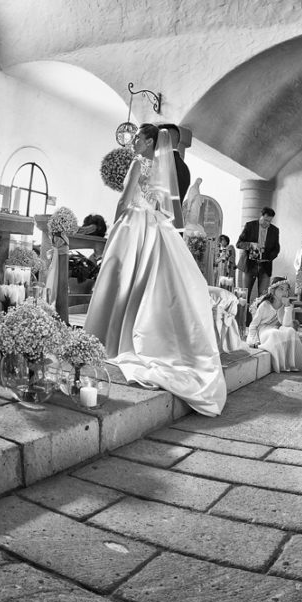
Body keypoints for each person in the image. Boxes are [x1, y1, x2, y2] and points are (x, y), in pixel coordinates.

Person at [84, 123, 226, 417]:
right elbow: (165, 208)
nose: (134, 142)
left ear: (149, 142)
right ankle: (127, 336)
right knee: (142, 282)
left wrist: (113, 227)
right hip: (153, 225)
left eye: (138, 138)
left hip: (132, 224)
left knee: (122, 279)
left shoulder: (138, 163)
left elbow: (125, 199)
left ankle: (109, 338)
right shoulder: (162, 170)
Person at [246, 277, 302, 372]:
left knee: (290, 331)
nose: (284, 292)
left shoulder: (283, 305)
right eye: (281, 289)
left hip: (275, 328)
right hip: (263, 330)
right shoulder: (265, 305)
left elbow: (286, 325)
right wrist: (253, 340)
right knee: (274, 333)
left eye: (286, 289)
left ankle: (291, 364)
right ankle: (280, 365)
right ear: (273, 291)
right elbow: (253, 325)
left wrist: (287, 306)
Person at [236, 206, 280, 300]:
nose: (267, 223)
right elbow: (239, 244)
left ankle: (260, 314)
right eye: (265, 220)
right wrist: (252, 245)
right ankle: (244, 314)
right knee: (244, 295)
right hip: (250, 265)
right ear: (261, 216)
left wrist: (269, 257)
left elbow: (276, 249)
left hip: (265, 267)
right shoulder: (250, 226)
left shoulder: (275, 230)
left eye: (269, 221)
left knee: (263, 297)